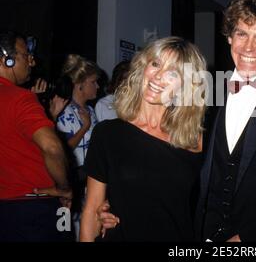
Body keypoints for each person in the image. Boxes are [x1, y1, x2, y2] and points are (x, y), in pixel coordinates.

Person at [98, 0, 256, 242]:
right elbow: (166, 164)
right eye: (242, 33)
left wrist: (249, 237)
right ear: (229, 37)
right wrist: (117, 202)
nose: (248, 47)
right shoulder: (202, 94)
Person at [80, 37, 207, 241]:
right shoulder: (108, 134)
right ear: (143, 68)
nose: (158, 76)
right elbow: (92, 209)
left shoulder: (197, 140)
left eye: (172, 73)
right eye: (155, 64)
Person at [0, 31, 72, 241]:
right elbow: (52, 148)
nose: (32, 61)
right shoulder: (22, 99)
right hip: (35, 207)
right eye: (26, 55)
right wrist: (65, 189)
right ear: (7, 60)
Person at [56, 54, 100, 237]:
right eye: (93, 82)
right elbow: (61, 150)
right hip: (69, 184)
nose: (97, 86)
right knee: (65, 230)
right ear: (80, 84)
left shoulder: (90, 110)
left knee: (88, 230)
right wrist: (84, 128)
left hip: (88, 182)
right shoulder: (63, 110)